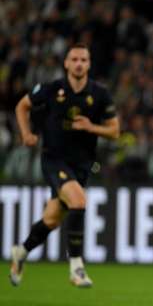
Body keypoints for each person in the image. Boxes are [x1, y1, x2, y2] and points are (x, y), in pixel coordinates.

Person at [10, 44, 120, 288]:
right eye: (75, 59)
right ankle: (76, 268)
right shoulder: (52, 89)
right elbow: (22, 105)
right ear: (67, 64)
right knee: (79, 202)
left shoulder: (100, 94)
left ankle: (21, 251)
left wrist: (92, 127)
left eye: (83, 59)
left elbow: (115, 131)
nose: (79, 63)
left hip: (82, 165)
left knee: (51, 220)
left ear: (89, 64)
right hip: (53, 159)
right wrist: (26, 134)